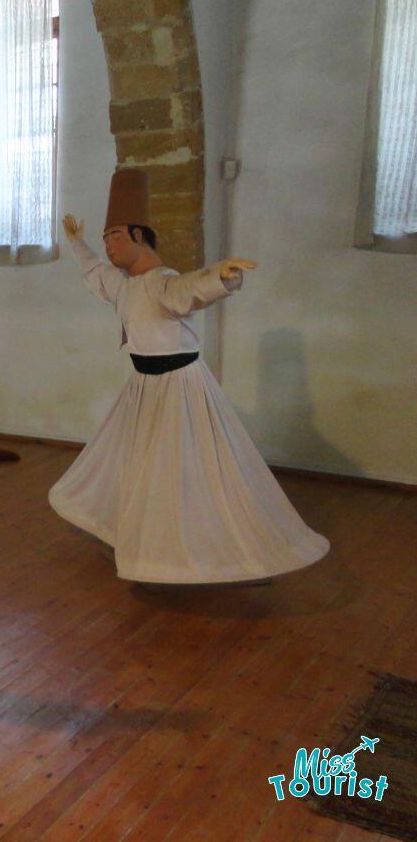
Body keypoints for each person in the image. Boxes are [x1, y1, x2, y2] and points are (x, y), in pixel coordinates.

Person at [50, 168, 328, 585]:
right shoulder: (124, 286)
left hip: (180, 388)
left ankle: (197, 542)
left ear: (140, 236)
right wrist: (77, 242)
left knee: (185, 467)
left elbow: (190, 290)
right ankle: (148, 537)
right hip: (143, 388)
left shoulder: (163, 285)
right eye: (106, 239)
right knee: (141, 464)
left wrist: (222, 274)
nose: (108, 247)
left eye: (116, 237)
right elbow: (94, 271)